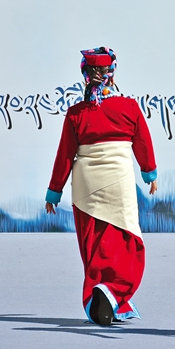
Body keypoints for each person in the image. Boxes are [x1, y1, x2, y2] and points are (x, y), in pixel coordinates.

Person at [45, 47, 158, 326]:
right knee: (125, 239)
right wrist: (150, 174)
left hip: (85, 185)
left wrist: (54, 192)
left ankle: (101, 291)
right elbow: (143, 143)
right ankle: (113, 292)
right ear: (112, 74)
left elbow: (64, 155)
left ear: (85, 75)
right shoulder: (129, 107)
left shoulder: (76, 114)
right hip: (119, 180)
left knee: (94, 241)